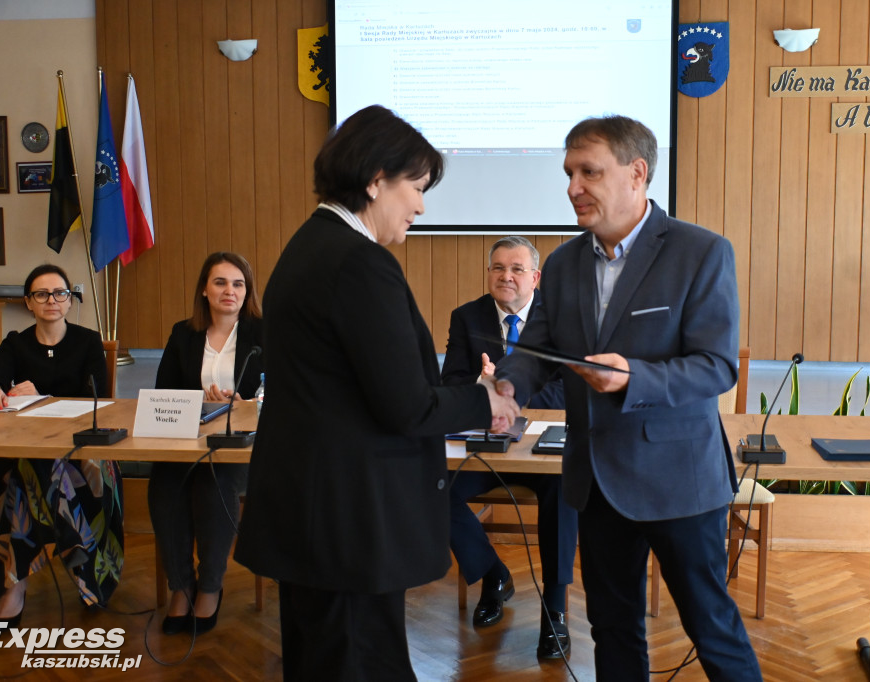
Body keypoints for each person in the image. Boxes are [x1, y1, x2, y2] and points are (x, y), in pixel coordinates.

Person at [234, 104, 519, 681]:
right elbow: (406, 404)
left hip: (317, 518)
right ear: (375, 179)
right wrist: (485, 400)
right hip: (348, 525)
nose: (421, 206)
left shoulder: (308, 245)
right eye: (416, 187)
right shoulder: (361, 263)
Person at [495, 115, 762, 681]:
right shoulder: (562, 264)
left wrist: (633, 378)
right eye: (569, 173)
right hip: (596, 483)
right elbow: (537, 350)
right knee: (612, 630)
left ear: (637, 173)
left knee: (712, 629)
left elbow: (716, 366)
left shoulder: (701, 252)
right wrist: (508, 386)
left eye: (589, 172)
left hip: (680, 482)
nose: (573, 187)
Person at [441, 235, 577, 659]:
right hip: (489, 448)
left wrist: (510, 388)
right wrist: (481, 386)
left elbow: (569, 390)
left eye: (517, 269)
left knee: (563, 490)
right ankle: (493, 574)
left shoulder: (559, 321)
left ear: (536, 277)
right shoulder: (467, 317)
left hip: (542, 447)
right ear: (489, 274)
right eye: (498, 268)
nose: (506, 276)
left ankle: (554, 611)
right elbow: (450, 385)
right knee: (433, 484)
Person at [0, 264, 124, 627]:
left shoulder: (88, 341)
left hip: (80, 451)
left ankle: (15, 587)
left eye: (59, 293)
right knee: (6, 473)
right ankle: (72, 547)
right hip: (27, 447)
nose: (51, 300)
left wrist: (43, 396)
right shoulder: (16, 342)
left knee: (26, 475)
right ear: (29, 302)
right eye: (41, 294)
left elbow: (97, 399)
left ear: (70, 301)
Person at [148, 251, 264, 636]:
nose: (230, 291)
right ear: (204, 289)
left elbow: (282, 390)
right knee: (165, 484)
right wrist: (200, 401)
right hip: (188, 441)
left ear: (247, 291)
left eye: (238, 284)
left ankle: (210, 587)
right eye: (220, 282)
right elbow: (163, 392)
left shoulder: (264, 333)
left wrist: (246, 404)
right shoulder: (184, 333)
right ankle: (181, 587)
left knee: (213, 484)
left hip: (243, 447)